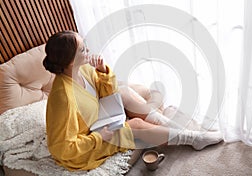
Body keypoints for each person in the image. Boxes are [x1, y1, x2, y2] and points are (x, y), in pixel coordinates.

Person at [43, 30, 223, 171]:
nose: (88, 50)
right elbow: (61, 148)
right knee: (135, 124)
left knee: (123, 92)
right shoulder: (63, 98)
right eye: (83, 49)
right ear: (70, 61)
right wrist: (99, 137)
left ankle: (173, 127)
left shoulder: (83, 70)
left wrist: (102, 69)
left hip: (99, 118)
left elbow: (108, 90)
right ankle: (192, 138)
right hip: (86, 144)